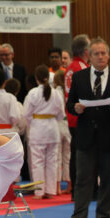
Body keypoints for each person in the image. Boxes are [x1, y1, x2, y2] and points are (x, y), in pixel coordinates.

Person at [59, 38, 110, 218]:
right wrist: (75, 108)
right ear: (89, 56)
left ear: (108, 55)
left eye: (103, 53)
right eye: (96, 53)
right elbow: (69, 104)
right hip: (86, 135)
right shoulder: (79, 77)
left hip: (109, 135)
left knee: (107, 179)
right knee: (83, 179)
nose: (100, 56)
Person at [24, 65, 66, 198]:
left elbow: (26, 114)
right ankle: (50, 191)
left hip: (38, 128)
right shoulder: (56, 93)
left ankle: (39, 191)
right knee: (52, 161)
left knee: (37, 162)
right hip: (53, 128)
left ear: (36, 78)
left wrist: (34, 122)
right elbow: (61, 115)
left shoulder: (33, 93)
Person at [64, 34, 91, 199]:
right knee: (82, 156)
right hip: (81, 117)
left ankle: (76, 189)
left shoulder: (69, 68)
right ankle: (81, 190)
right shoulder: (82, 68)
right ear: (86, 51)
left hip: (71, 117)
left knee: (75, 154)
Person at [51, 69, 72, 194]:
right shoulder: (69, 92)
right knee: (68, 156)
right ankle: (69, 185)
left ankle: (57, 187)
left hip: (57, 124)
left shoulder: (54, 93)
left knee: (57, 157)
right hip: (68, 123)